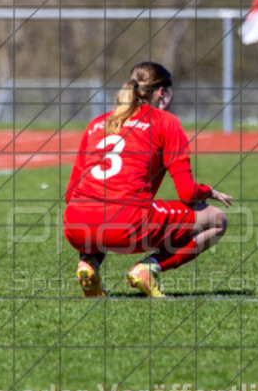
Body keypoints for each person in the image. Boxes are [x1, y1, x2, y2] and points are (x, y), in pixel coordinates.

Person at [63, 61, 233, 298]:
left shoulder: (97, 123)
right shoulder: (166, 122)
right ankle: (148, 268)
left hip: (76, 225)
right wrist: (207, 191)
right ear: (162, 93)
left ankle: (89, 264)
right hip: (127, 224)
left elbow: (70, 193)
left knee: (99, 210)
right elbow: (186, 192)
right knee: (217, 220)